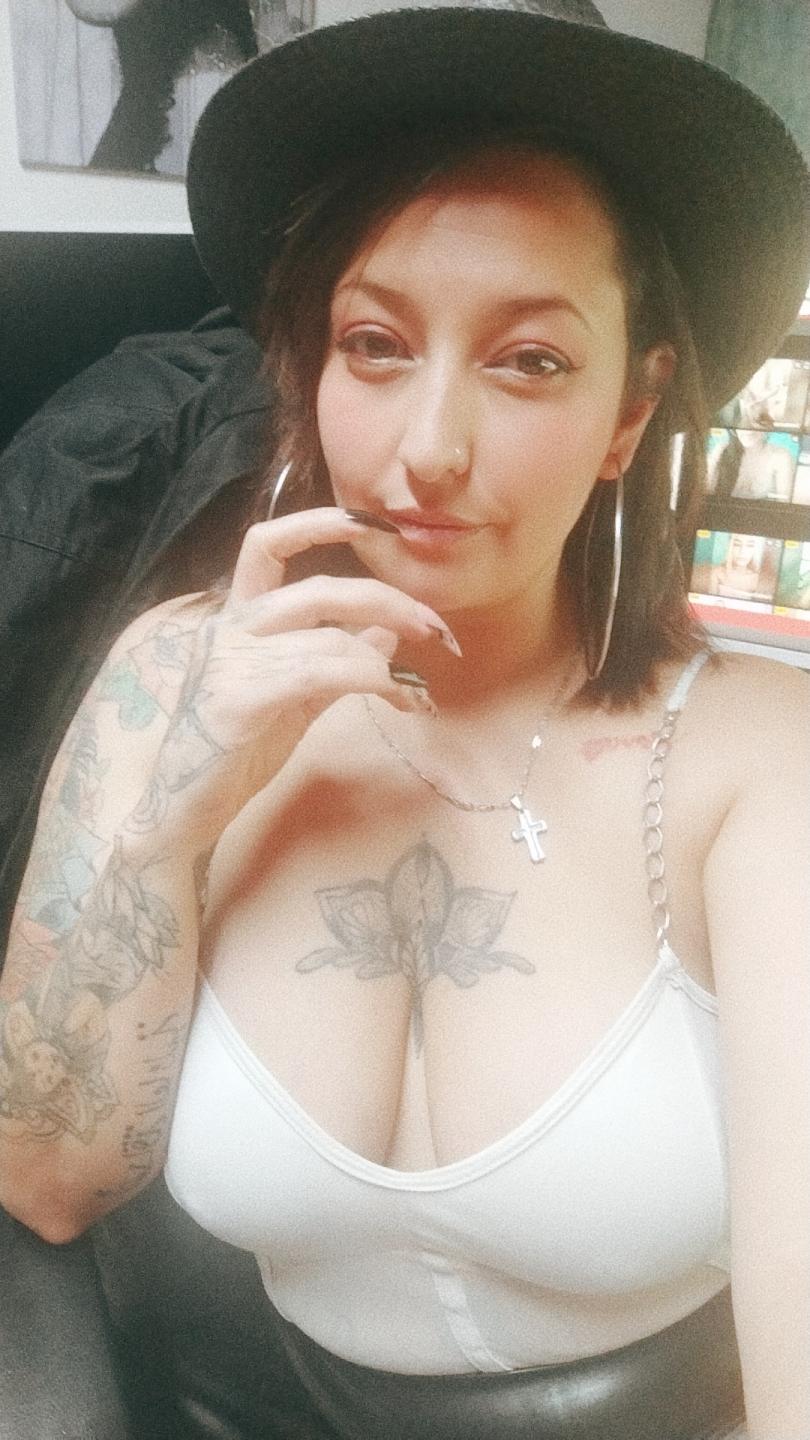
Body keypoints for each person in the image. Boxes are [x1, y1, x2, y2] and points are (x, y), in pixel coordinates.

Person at [2, 2, 809, 1437]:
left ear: (631, 414)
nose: (427, 450)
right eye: (374, 344)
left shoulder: (757, 757)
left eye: (528, 361)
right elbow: (45, 1183)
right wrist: (173, 819)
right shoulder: (167, 678)